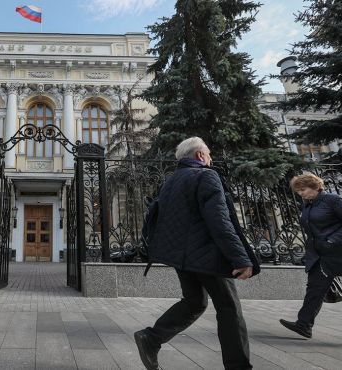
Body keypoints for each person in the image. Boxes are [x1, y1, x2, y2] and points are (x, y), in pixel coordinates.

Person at [135, 137, 259, 370]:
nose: (210, 158)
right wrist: (239, 257)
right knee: (229, 308)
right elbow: (220, 220)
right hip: (206, 254)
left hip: (180, 256)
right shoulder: (206, 175)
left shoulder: (170, 181)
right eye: (209, 154)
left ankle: (151, 338)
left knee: (194, 302)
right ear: (200, 156)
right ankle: (238, 366)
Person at [280, 173, 342, 339]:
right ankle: (304, 325)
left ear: (315, 186)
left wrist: (332, 240)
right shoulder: (308, 205)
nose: (301, 193)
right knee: (314, 289)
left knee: (316, 289)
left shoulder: (332, 200)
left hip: (337, 252)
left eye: (303, 189)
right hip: (319, 254)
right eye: (298, 191)